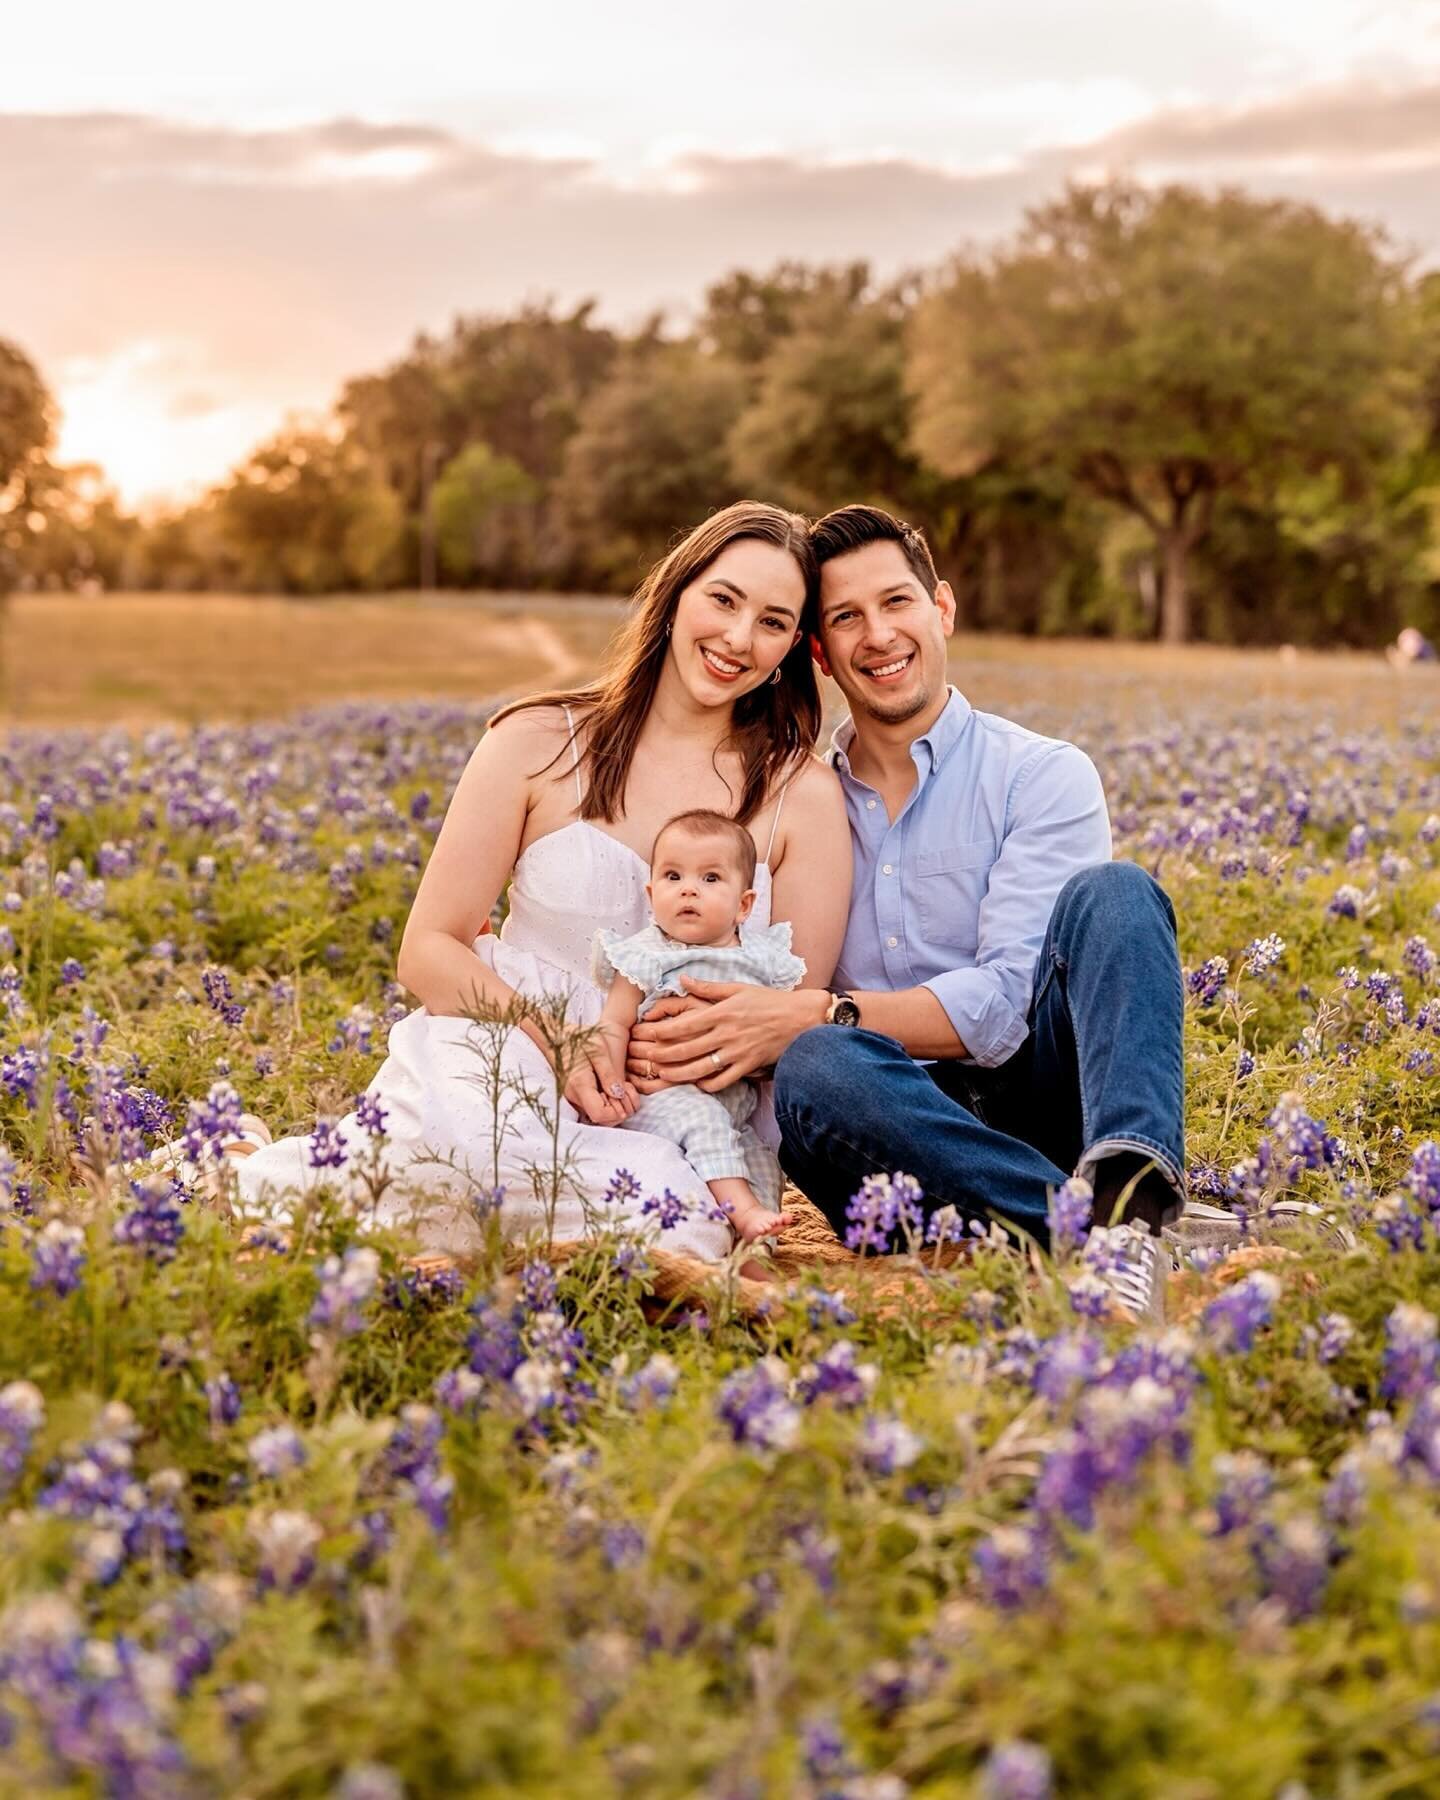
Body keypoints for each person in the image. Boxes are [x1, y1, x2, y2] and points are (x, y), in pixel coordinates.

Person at [229, 502, 851, 1259]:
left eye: (773, 621)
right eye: (722, 599)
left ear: (792, 646)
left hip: (678, 1099)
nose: (737, 637)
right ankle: (266, 1170)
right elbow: (428, 947)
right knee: (466, 1163)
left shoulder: (802, 794)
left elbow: (788, 1015)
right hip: (512, 1045)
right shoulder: (535, 740)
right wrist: (558, 1041)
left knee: (671, 1223)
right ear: (677, 592)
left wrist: (670, 1060)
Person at [627, 504, 1185, 1315]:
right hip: (885, 1142)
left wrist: (825, 1010)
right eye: (846, 618)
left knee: (1118, 894)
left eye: (897, 603)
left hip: (1044, 1094)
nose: (878, 636)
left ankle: (1126, 1199)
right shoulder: (796, 801)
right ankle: (1101, 1227)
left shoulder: (1043, 774)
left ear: (943, 609)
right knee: (819, 1063)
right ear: (818, 652)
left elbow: (1005, 1006)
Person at [588, 808, 804, 1272]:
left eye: (710, 878)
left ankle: (755, 1255)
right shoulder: (646, 954)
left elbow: (782, 1024)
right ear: (651, 894)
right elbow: (614, 1024)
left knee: (762, 1160)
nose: (688, 889)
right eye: (672, 876)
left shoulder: (763, 958)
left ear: (744, 905)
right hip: (660, 1096)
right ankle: (742, 1214)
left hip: (736, 1103)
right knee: (703, 1118)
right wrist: (610, 1087)